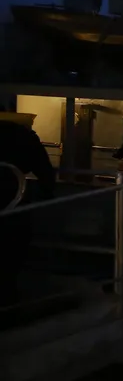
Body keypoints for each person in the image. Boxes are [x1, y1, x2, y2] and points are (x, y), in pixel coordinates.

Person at [0, 119, 57, 298]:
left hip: (12, 194)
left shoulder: (20, 136)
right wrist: (46, 193)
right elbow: (45, 172)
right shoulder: (24, 137)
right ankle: (8, 290)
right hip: (14, 197)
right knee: (13, 243)